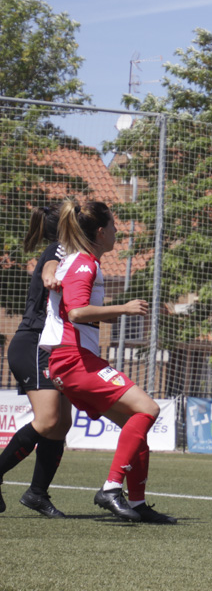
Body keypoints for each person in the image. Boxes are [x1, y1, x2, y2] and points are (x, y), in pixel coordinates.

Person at [38, 199, 174, 524]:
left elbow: (75, 310)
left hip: (67, 361)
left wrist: (118, 312)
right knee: (149, 409)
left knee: (134, 427)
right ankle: (111, 488)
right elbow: (77, 312)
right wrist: (124, 308)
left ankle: (138, 503)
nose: (117, 232)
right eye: (113, 226)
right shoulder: (85, 263)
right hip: (75, 360)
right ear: (100, 232)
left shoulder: (76, 261)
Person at [0, 206, 69, 518]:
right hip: (34, 343)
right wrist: (51, 277)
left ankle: (36, 494)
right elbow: (49, 270)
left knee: (61, 423)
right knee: (49, 420)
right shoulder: (59, 248)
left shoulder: (75, 253)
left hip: (52, 346)